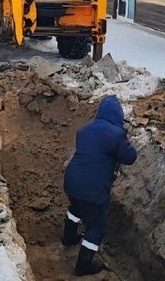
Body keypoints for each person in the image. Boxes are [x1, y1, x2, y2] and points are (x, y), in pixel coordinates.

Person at [61, 94, 138, 276]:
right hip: (93, 188)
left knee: (76, 208)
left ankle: (68, 237)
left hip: (72, 180)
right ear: (118, 115)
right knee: (96, 228)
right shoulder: (116, 135)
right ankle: (83, 266)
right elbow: (130, 157)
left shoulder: (85, 129)